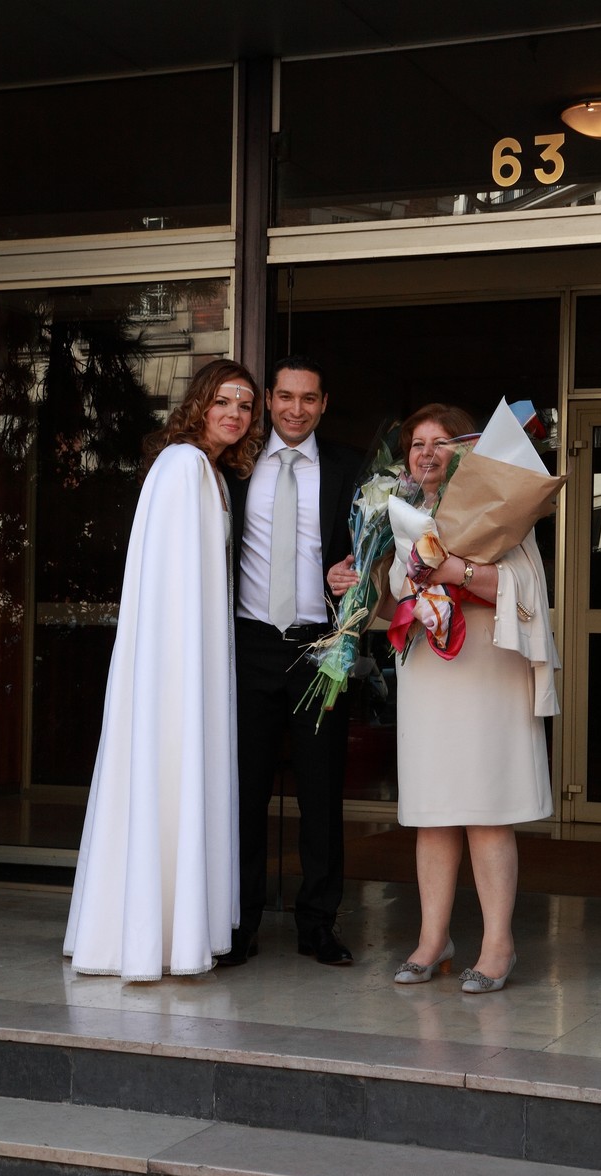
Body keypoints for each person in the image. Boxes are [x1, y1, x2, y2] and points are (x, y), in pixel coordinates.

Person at [63, 359, 263, 981]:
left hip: (193, 655)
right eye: (223, 401)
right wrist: (186, 666)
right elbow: (173, 584)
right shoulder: (183, 466)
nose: (235, 414)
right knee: (171, 768)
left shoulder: (206, 470)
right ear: (200, 403)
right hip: (176, 661)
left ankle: (180, 930)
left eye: (245, 406)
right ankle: (157, 937)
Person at [388, 403, 558, 993]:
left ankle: (497, 947)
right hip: (428, 673)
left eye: (440, 442)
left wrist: (454, 569)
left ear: (466, 450)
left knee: (487, 811)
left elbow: (523, 588)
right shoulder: (397, 512)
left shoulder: (499, 506)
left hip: (487, 669)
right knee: (432, 813)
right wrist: (356, 582)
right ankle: (432, 940)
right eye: (417, 444)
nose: (427, 453)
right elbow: (391, 599)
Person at [217, 354, 362, 967]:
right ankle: (238, 923)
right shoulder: (234, 465)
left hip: (320, 649)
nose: (295, 409)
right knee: (243, 794)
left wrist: (353, 576)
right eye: (284, 397)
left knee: (321, 795)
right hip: (247, 645)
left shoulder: (352, 468)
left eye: (308, 398)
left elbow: (375, 556)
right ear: (268, 402)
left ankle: (318, 924)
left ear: (323, 404)